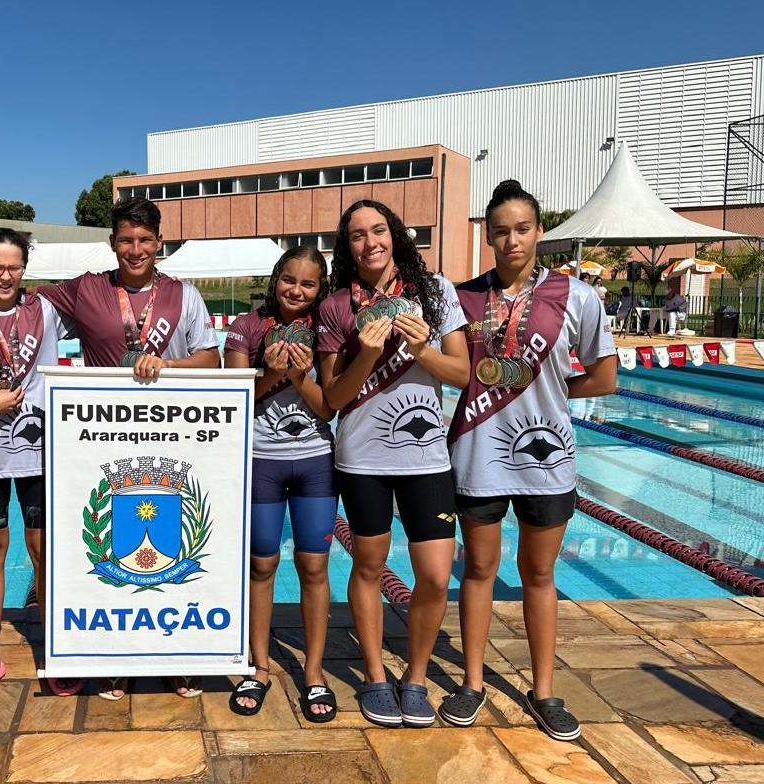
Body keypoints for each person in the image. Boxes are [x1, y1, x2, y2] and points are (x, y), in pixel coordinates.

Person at [441, 180, 616, 741]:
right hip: (477, 451)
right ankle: (472, 683)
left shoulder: (578, 296)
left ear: (539, 232)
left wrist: (548, 388)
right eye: (500, 231)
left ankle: (544, 691)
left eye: (522, 228)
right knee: (478, 569)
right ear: (487, 236)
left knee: (539, 575)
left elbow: (604, 375)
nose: (511, 239)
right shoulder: (461, 298)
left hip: (547, 456)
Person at [41, 195, 220, 699]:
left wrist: (167, 366)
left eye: (144, 240)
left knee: (181, 547)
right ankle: (114, 656)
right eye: (126, 240)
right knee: (103, 552)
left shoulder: (185, 295)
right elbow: (25, 311)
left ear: (159, 242)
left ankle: (179, 653)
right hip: (102, 438)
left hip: (173, 435)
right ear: (112, 243)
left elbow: (211, 358)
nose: (135, 249)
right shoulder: (85, 290)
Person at [317, 200, 470, 728]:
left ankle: (418, 678)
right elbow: (333, 398)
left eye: (378, 230)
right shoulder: (338, 306)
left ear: (395, 234)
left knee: (434, 574)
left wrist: (421, 349)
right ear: (347, 246)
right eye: (357, 235)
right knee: (367, 565)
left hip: (425, 457)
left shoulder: (435, 292)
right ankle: (377, 677)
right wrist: (365, 351)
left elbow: (461, 372)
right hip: (362, 458)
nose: (370, 242)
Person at [0, 228, 78, 703]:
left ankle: (54, 649)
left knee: (44, 551)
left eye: (14, 266)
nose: (6, 275)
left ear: (25, 268)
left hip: (38, 454)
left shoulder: (44, 309)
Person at [224, 246, 337, 722]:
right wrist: (271, 372)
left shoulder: (325, 330)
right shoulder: (247, 328)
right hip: (261, 460)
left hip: (314, 461)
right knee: (261, 564)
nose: (297, 290)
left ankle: (314, 671)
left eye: (308, 284)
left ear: (319, 289)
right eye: (289, 280)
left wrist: (296, 372)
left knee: (314, 567)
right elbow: (233, 399)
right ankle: (260, 665)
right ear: (276, 280)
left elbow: (329, 405)